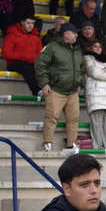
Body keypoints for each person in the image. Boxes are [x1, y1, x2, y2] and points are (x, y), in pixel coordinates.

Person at [35, 22, 84, 153]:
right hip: (56, 89)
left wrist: (79, 83)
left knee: (73, 119)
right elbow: (40, 64)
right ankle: (47, 143)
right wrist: (44, 83)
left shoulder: (77, 49)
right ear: (67, 34)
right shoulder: (52, 47)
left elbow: (81, 68)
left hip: (72, 91)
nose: (76, 35)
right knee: (52, 117)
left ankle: (71, 144)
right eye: (74, 33)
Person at [82, 39, 106, 149]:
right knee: (97, 122)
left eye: (99, 46)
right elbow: (95, 73)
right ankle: (98, 146)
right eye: (95, 46)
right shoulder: (87, 58)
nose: (98, 48)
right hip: (95, 95)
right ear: (90, 48)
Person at [2, 16, 43, 96]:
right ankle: (36, 91)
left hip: (31, 62)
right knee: (26, 67)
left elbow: (41, 54)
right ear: (22, 22)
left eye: (32, 23)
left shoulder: (36, 37)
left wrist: (30, 57)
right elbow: (6, 53)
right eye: (28, 23)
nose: (30, 26)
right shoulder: (12, 35)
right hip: (14, 63)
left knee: (42, 67)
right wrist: (24, 56)